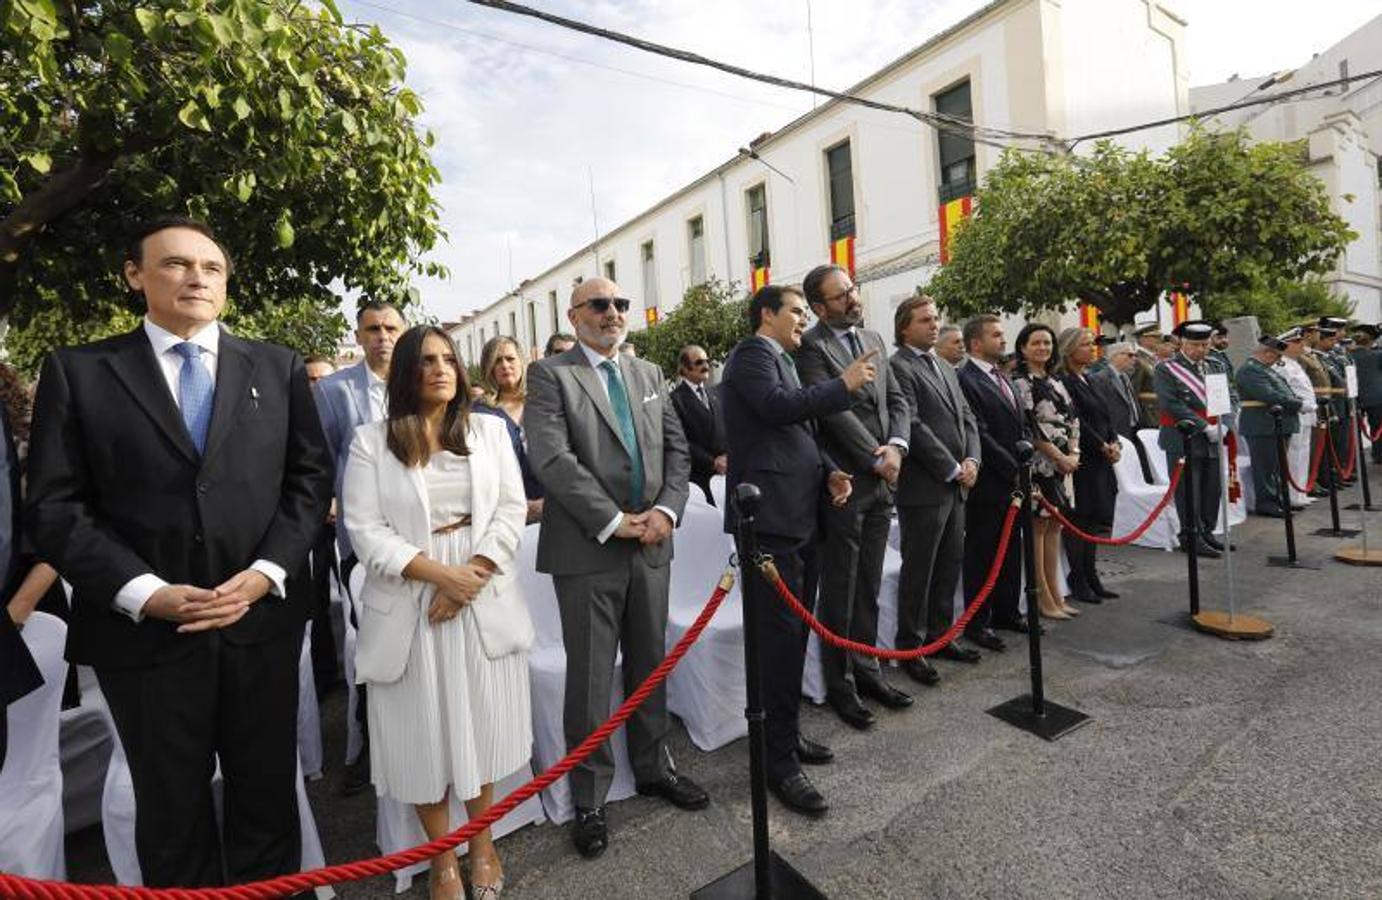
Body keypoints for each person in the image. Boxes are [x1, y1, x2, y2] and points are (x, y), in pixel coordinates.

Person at [26, 216, 334, 887]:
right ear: (135, 275)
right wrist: (143, 593)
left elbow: (309, 485)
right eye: (175, 264)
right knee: (170, 814)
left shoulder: (276, 366)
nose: (197, 277)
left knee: (266, 802)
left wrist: (264, 575)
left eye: (211, 267)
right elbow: (54, 507)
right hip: (145, 641)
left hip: (258, 626)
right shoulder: (80, 372)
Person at [343, 326, 531, 900]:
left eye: (448, 358)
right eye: (426, 360)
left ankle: (482, 844)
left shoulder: (489, 432)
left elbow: (510, 508)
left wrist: (467, 577)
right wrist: (438, 576)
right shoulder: (370, 441)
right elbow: (365, 531)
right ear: (406, 372)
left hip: (479, 591)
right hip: (409, 597)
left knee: (479, 725)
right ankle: (442, 859)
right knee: (421, 736)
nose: (441, 369)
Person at [525, 277, 707, 859]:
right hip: (588, 548)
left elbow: (678, 451)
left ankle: (654, 767)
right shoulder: (551, 376)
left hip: (652, 542)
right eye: (600, 305)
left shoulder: (649, 374)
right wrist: (613, 520)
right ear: (575, 315)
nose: (613, 313)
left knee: (651, 661)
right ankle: (591, 797)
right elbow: (552, 457)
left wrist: (664, 512)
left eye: (621, 304)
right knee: (591, 679)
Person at [720, 283, 870, 817]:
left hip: (799, 512)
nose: (804, 319)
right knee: (778, 642)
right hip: (769, 521)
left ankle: (784, 738)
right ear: (767, 315)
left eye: (807, 312)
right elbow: (778, 408)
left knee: (794, 636)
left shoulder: (782, 358)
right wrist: (842, 385)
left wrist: (829, 472)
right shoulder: (750, 356)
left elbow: (799, 433)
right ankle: (778, 763)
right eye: (797, 311)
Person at [797, 264, 915, 730]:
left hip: (886, 476)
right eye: (841, 294)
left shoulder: (875, 339)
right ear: (819, 307)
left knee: (869, 582)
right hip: (847, 482)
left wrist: (899, 448)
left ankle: (869, 671)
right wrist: (874, 455)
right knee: (842, 589)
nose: (852, 298)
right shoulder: (810, 349)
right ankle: (841, 684)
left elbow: (898, 399)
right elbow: (831, 413)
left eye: (852, 289)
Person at [316, 299, 406, 794]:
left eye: (391, 327)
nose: (382, 336)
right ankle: (370, 749)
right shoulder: (333, 391)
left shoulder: (421, 380)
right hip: (362, 545)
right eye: (372, 328)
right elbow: (325, 459)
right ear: (359, 333)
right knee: (372, 649)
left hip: (423, 538)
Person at [889, 298, 994, 677]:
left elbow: (967, 417)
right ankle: (911, 647)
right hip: (925, 487)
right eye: (925, 320)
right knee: (920, 569)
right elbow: (912, 425)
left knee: (949, 565)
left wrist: (973, 461)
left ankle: (940, 635)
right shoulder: (898, 366)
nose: (934, 326)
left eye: (936, 320)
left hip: (957, 484)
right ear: (905, 327)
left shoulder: (945, 366)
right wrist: (951, 467)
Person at [957, 316, 1032, 635]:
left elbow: (1021, 424)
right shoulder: (966, 379)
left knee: (1011, 549)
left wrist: (1025, 467)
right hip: (989, 481)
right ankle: (979, 621)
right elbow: (979, 432)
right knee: (983, 552)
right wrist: (1012, 469)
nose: (1004, 340)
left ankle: (1008, 612)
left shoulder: (1004, 377)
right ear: (976, 343)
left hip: (1015, 479)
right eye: (996, 335)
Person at [1011, 324, 1082, 620]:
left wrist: (1073, 453)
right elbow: (1031, 427)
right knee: (1038, 530)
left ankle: (1056, 593)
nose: (1043, 348)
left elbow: (1073, 418)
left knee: (1056, 527)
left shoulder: (1056, 380)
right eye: (1036, 343)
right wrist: (1058, 457)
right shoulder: (1021, 381)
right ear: (1023, 347)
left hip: (1064, 464)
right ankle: (1043, 599)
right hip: (1041, 465)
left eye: (1048, 343)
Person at [1056, 328, 1121, 603]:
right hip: (1083, 458)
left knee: (1094, 519)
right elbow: (1077, 420)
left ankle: (1092, 573)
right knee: (1079, 519)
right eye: (1085, 344)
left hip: (1101, 458)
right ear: (1070, 349)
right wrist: (1101, 445)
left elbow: (1105, 417)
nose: (1093, 348)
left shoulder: (1089, 379)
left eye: (1093, 344)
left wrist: (1114, 441)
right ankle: (1078, 577)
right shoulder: (1064, 381)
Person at [1153, 320, 1224, 558]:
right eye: (1195, 345)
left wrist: (1227, 424)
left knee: (1211, 488)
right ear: (1182, 343)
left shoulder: (1214, 365)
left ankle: (1206, 531)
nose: (1200, 350)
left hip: (1214, 434)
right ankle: (1190, 536)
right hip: (1182, 436)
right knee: (1188, 491)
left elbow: (1228, 396)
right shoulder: (1166, 369)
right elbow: (1170, 403)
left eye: (1205, 345)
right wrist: (1204, 426)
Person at [472, 336, 544, 523]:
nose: (505, 365)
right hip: (506, 515)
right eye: (497, 360)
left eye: (510, 359)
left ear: (521, 361)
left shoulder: (544, 401)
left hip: (552, 507)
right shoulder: (479, 412)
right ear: (488, 368)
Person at [1235, 333, 1302, 519]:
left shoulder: (1265, 369)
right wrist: (1299, 404)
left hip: (1274, 423)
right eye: (1276, 356)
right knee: (1265, 467)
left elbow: (1281, 392)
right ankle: (1267, 503)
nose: (1277, 361)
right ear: (1266, 353)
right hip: (1262, 424)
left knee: (1277, 466)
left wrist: (1296, 401)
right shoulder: (1250, 370)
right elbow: (1269, 395)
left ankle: (1278, 499)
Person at [668, 344, 727, 506]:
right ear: (685, 369)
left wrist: (728, 456)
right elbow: (679, 439)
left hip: (726, 475)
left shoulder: (716, 394)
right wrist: (712, 462)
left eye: (707, 361)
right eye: (699, 362)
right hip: (698, 480)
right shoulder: (675, 400)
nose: (706, 366)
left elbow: (726, 429)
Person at [1091, 341, 1155, 482]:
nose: (1135, 359)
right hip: (1117, 437)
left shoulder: (1125, 377)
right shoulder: (1100, 378)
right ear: (1115, 356)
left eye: (1136, 355)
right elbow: (1100, 412)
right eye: (1130, 355)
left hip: (1133, 432)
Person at [1277, 329, 1318, 508]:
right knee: (1294, 454)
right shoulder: (1281, 365)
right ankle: (1293, 495)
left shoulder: (1294, 363)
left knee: (1303, 453)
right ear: (1288, 345)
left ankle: (1301, 492)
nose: (1302, 346)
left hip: (1307, 413)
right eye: (1298, 343)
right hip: (1295, 413)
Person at [1349, 324, 1382, 464]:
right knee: (1377, 427)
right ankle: (1379, 455)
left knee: (1353, 430)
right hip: (1376, 397)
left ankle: (1354, 459)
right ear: (1372, 340)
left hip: (1353, 398)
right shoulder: (1377, 355)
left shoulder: (1346, 355)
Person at [1128, 323, 1161, 429]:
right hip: (1147, 415)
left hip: (1157, 413)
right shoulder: (1138, 360)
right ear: (1143, 339)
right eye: (1155, 337)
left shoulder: (1152, 359)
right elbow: (1133, 391)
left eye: (1159, 337)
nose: (1159, 340)